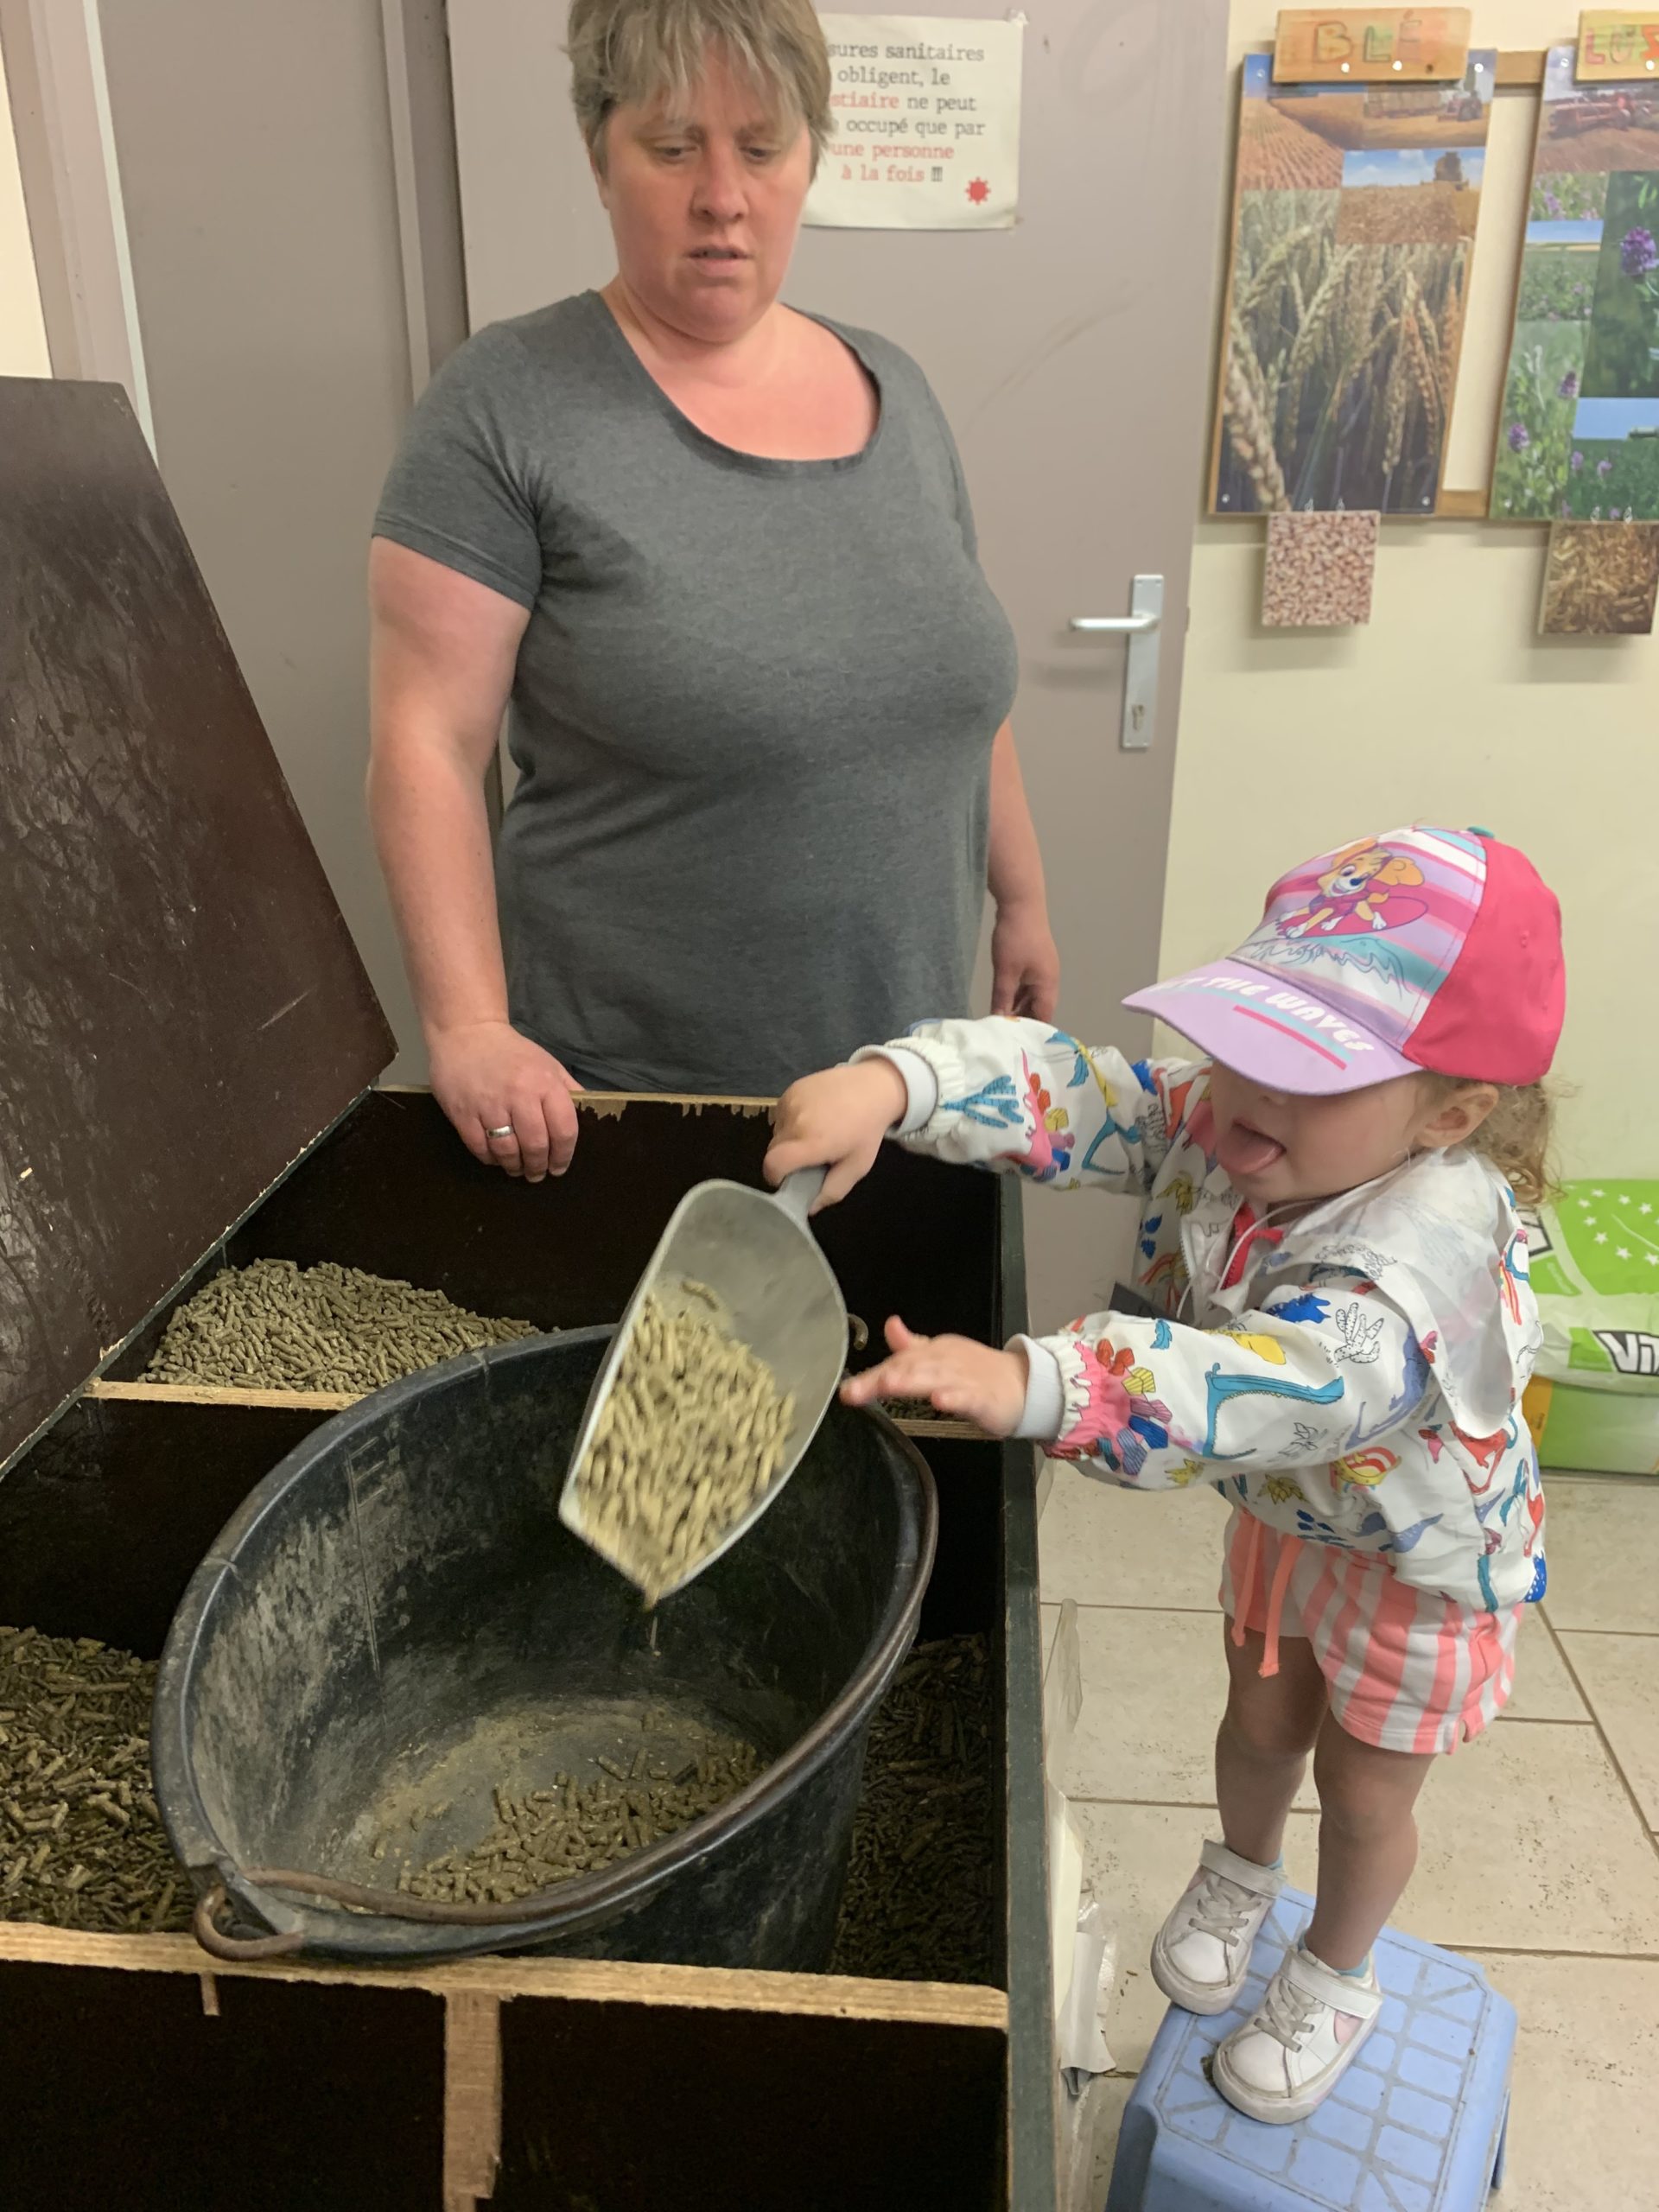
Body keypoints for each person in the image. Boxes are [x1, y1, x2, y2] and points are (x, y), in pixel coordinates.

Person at [766, 824, 1563, 2125]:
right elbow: (1092, 1095)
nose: (1252, 1094)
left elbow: (1262, 1389)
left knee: (1364, 1790)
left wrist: (1041, 1380)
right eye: (1247, 1043)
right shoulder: (1246, 1119)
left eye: (1313, 1074)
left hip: (1421, 1566)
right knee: (1259, 1722)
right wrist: (899, 1083)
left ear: (1451, 1114)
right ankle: (1243, 1869)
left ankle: (1336, 1969)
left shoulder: (1414, 1268)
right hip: (1296, 1521)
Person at [368, 0, 1055, 1185]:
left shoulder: (898, 390)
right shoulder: (504, 406)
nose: (723, 197)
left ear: (808, 159)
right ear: (601, 156)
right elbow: (426, 737)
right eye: (674, 146)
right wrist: (468, 1025)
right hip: (638, 1113)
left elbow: (960, 681)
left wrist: (1024, 900)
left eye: (763, 146)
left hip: (905, 1088)